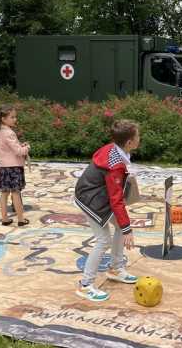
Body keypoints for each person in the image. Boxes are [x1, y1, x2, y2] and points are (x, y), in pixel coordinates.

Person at [74, 119, 140, 302]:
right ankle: (85, 285)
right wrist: (128, 228)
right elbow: (116, 199)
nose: (139, 139)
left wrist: (124, 226)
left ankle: (115, 268)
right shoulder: (115, 165)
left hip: (96, 193)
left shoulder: (116, 149)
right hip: (90, 199)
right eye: (137, 137)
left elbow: (115, 194)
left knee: (119, 226)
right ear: (129, 142)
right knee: (104, 240)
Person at [0, 105, 30, 226]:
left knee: (4, 193)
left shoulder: (1, 132)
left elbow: (9, 148)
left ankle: (5, 219)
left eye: (15, 117)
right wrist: (26, 148)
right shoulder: (9, 133)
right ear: (3, 119)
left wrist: (20, 145)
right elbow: (18, 152)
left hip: (4, 167)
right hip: (13, 167)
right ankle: (20, 219)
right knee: (16, 192)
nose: (15, 119)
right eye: (12, 117)